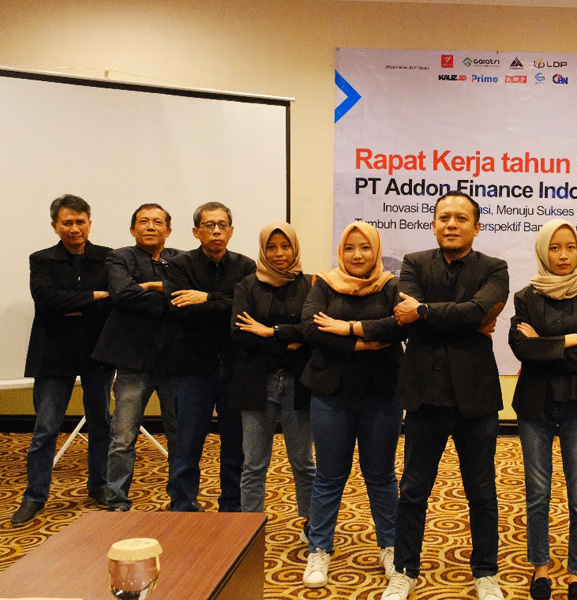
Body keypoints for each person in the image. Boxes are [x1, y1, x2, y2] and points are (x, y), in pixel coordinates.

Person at [382, 192, 509, 600]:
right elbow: (409, 316)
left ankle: (486, 572)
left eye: (461, 218)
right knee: (413, 490)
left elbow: (478, 311)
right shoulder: (414, 263)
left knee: (482, 492)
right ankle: (405, 570)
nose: (451, 224)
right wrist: (462, 316)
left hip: (477, 398)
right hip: (424, 396)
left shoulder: (495, 267)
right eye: (444, 218)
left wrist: (424, 312)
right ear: (434, 224)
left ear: (477, 226)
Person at [509, 219, 577, 600]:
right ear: (543, 251)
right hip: (535, 406)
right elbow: (522, 349)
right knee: (537, 493)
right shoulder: (526, 296)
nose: (563, 255)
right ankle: (540, 568)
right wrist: (571, 340)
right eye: (554, 248)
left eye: (570, 247)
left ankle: (576, 572)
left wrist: (547, 346)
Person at [300, 221, 406, 588]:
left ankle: (391, 547)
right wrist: (365, 342)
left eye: (364, 247)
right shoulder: (324, 284)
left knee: (381, 475)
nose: (357, 255)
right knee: (329, 476)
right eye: (349, 248)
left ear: (376, 251)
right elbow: (311, 329)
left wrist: (346, 328)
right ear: (340, 251)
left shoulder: (392, 285)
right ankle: (319, 549)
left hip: (381, 393)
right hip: (331, 392)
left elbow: (399, 326)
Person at [12, 194, 114, 525]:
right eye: (66, 222)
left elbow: (113, 302)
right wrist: (93, 297)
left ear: (89, 223)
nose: (74, 228)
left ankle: (99, 485)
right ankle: (34, 495)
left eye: (80, 222)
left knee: (101, 423)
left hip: (97, 353)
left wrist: (73, 304)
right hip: (53, 354)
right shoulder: (41, 259)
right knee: (45, 428)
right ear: (55, 226)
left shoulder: (108, 258)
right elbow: (46, 301)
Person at [165, 202, 255, 512]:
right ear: (196, 231)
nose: (216, 231)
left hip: (235, 367)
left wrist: (206, 298)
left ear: (231, 230)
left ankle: (232, 506)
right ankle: (183, 504)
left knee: (235, 444)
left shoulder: (246, 267)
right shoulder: (179, 266)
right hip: (194, 367)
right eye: (209, 225)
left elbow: (247, 313)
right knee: (187, 443)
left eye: (222, 225)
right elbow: (181, 311)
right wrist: (226, 304)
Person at [92, 203, 182, 511]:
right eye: (143, 221)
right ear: (133, 229)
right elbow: (122, 293)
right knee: (122, 438)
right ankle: (118, 500)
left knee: (179, 437)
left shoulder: (181, 260)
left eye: (157, 222)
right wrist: (168, 298)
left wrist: (154, 287)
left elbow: (192, 295)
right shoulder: (120, 257)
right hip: (133, 362)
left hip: (174, 362)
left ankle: (181, 499)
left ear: (168, 230)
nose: (150, 227)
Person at [230, 222, 315, 536]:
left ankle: (313, 524)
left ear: (295, 248)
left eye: (285, 246)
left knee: (303, 462)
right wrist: (286, 343)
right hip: (257, 383)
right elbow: (240, 333)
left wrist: (268, 332)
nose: (279, 253)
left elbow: (312, 330)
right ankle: (250, 528)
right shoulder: (247, 285)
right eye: (271, 247)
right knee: (253, 463)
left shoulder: (311, 284)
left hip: (298, 383)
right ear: (263, 250)